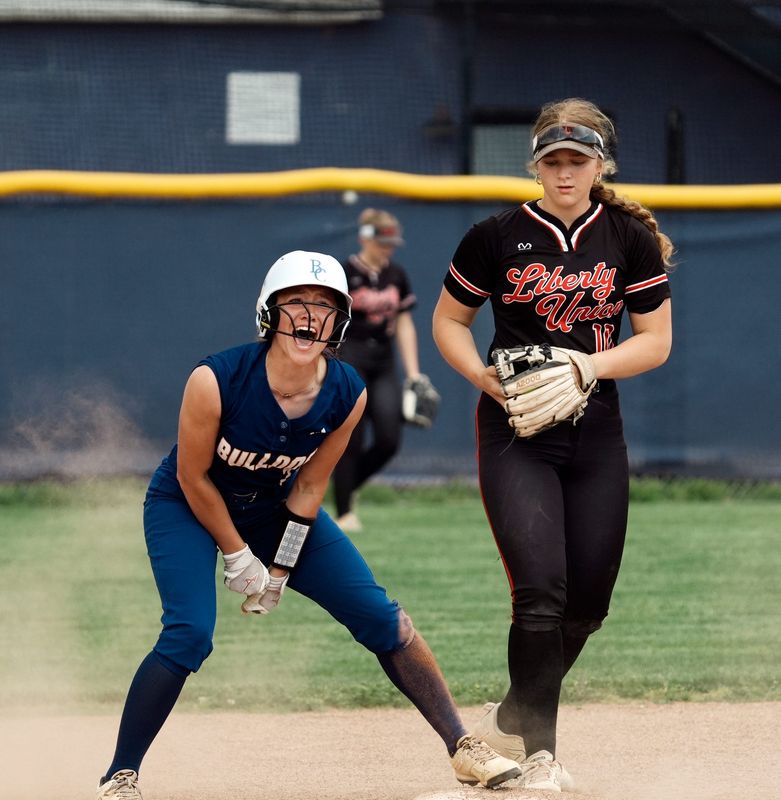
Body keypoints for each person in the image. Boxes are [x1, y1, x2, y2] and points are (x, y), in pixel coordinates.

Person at [96, 250, 520, 799]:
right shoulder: (215, 379)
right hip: (186, 504)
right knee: (189, 633)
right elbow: (193, 476)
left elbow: (310, 487)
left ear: (340, 322)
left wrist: (279, 568)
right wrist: (236, 554)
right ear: (269, 313)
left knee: (382, 618)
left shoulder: (347, 392)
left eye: (324, 307)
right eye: (296, 302)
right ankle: (121, 775)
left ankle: (464, 748)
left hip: (276, 507)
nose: (309, 317)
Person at [432, 98, 673, 792]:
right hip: (517, 431)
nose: (564, 172)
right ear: (534, 164)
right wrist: (479, 374)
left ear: (601, 165)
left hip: (594, 428)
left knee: (587, 605)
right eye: (552, 161)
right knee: (539, 592)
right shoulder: (493, 235)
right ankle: (538, 751)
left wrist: (586, 366)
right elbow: (451, 320)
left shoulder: (626, 236)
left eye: (577, 160)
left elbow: (655, 342)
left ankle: (512, 709)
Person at [332, 208, 434, 532]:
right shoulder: (344, 273)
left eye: (392, 243)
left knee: (389, 439)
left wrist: (414, 373)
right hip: (350, 358)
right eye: (382, 242)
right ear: (365, 238)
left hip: (383, 361)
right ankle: (345, 511)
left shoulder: (397, 275)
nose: (387, 249)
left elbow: (404, 323)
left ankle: (339, 487)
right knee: (353, 436)